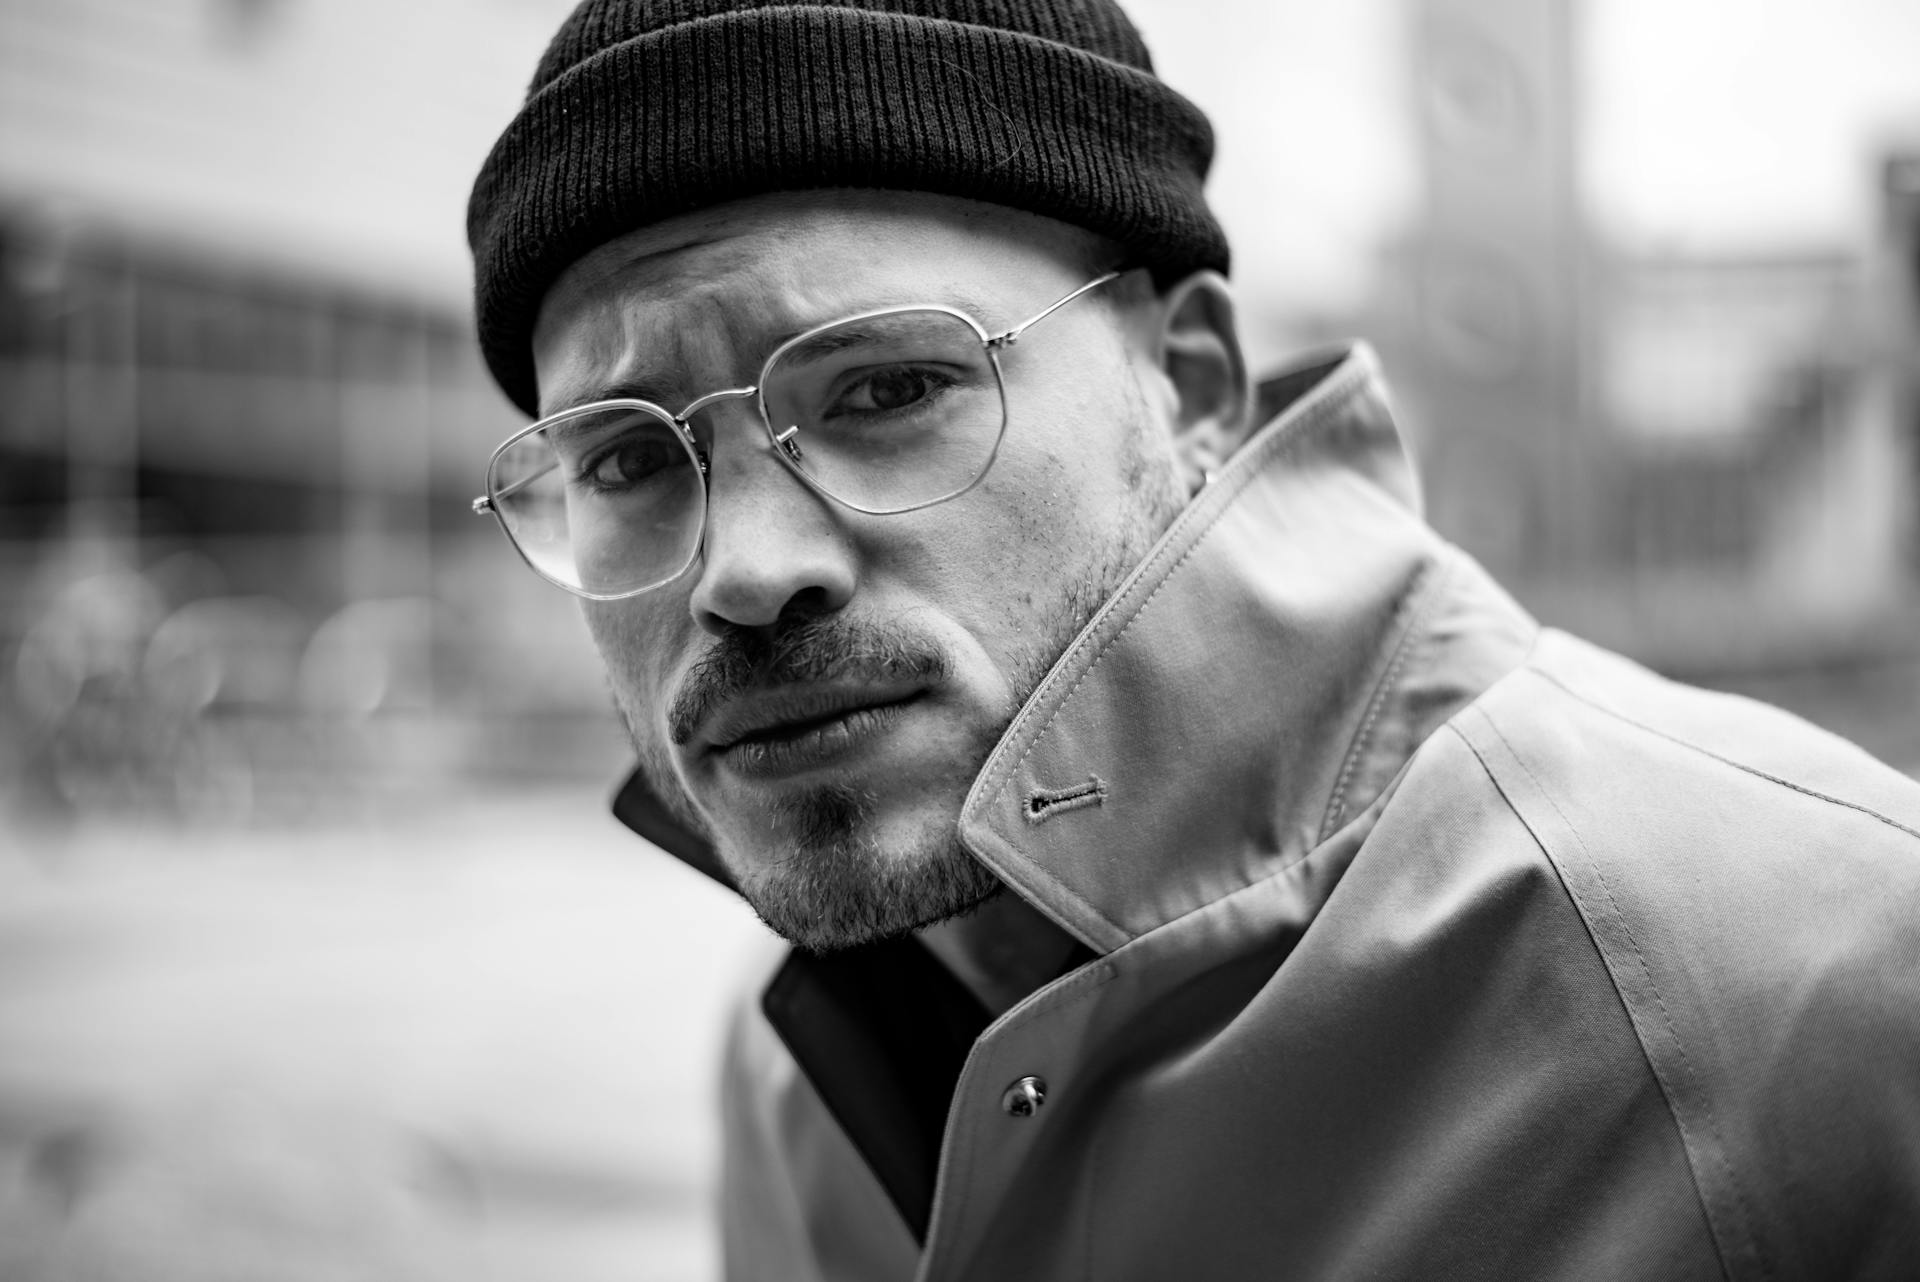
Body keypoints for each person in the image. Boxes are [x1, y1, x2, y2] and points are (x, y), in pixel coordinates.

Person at [464, 2, 1920, 1276]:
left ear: (1195, 382)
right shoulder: (793, 1064)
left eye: (888, 387)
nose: (750, 570)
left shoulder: (1798, 959)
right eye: (626, 464)